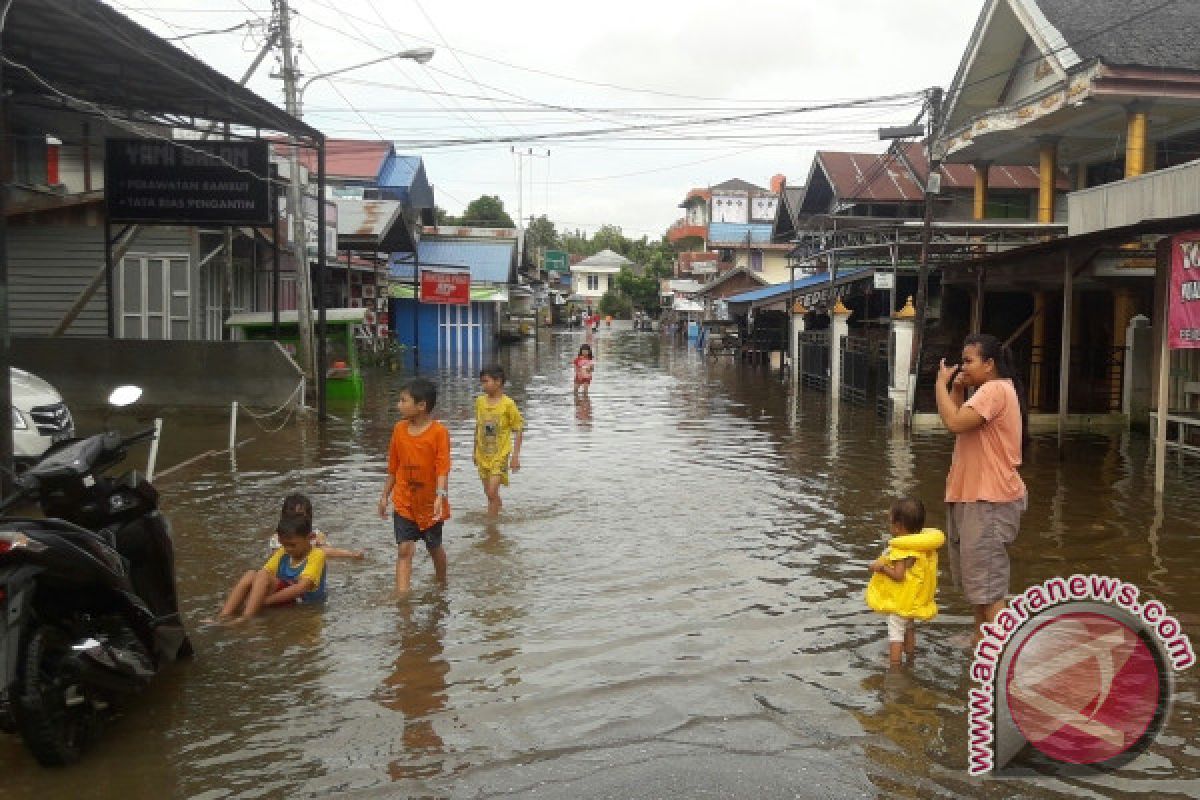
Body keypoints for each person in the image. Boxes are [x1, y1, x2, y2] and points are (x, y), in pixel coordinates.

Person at [935, 333, 1028, 644]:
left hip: (989, 498)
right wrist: (958, 388)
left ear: (989, 365)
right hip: (973, 496)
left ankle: (1004, 660)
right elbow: (960, 418)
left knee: (988, 587)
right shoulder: (990, 391)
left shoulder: (994, 390)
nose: (963, 366)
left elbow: (954, 423)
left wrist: (939, 384)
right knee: (979, 586)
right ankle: (982, 644)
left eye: (969, 361)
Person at [378, 377, 451, 593]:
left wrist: (440, 496)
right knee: (404, 549)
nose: (398, 405)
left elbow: (442, 467)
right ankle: (402, 598)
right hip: (404, 500)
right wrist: (384, 496)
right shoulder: (399, 430)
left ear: (421, 406)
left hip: (430, 502)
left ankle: (441, 583)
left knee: (433, 546)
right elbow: (393, 466)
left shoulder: (439, 432)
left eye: (403, 401)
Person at [865, 498, 944, 666]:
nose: (889, 525)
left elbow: (898, 575)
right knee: (909, 629)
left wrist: (881, 568)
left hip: (899, 603)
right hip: (911, 602)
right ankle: (910, 656)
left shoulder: (901, 549)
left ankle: (894, 665)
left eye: (890, 521)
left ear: (898, 526)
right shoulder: (920, 547)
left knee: (895, 635)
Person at [217, 512, 328, 621]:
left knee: (263, 577)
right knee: (251, 574)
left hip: (303, 601)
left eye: (292, 545)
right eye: (284, 544)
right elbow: (263, 574)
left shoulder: (317, 555)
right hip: (283, 597)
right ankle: (224, 615)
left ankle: (246, 618)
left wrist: (264, 601)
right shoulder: (282, 553)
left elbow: (301, 588)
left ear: (310, 537)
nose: (288, 549)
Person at [473, 364, 525, 517]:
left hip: (500, 454)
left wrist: (515, 456)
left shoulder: (508, 404)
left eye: (486, 381)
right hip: (483, 453)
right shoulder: (480, 402)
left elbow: (519, 429)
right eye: (481, 382)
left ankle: (491, 526)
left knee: (491, 491)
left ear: (498, 382)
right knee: (489, 493)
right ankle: (498, 511)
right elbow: (478, 426)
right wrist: (474, 450)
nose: (483, 385)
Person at [270, 492, 364, 559]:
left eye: (301, 517)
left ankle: (351, 554)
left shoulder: (316, 535)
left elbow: (328, 550)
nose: (297, 521)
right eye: (293, 517)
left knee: (323, 550)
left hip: (312, 560)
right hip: (293, 563)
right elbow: (276, 557)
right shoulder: (279, 537)